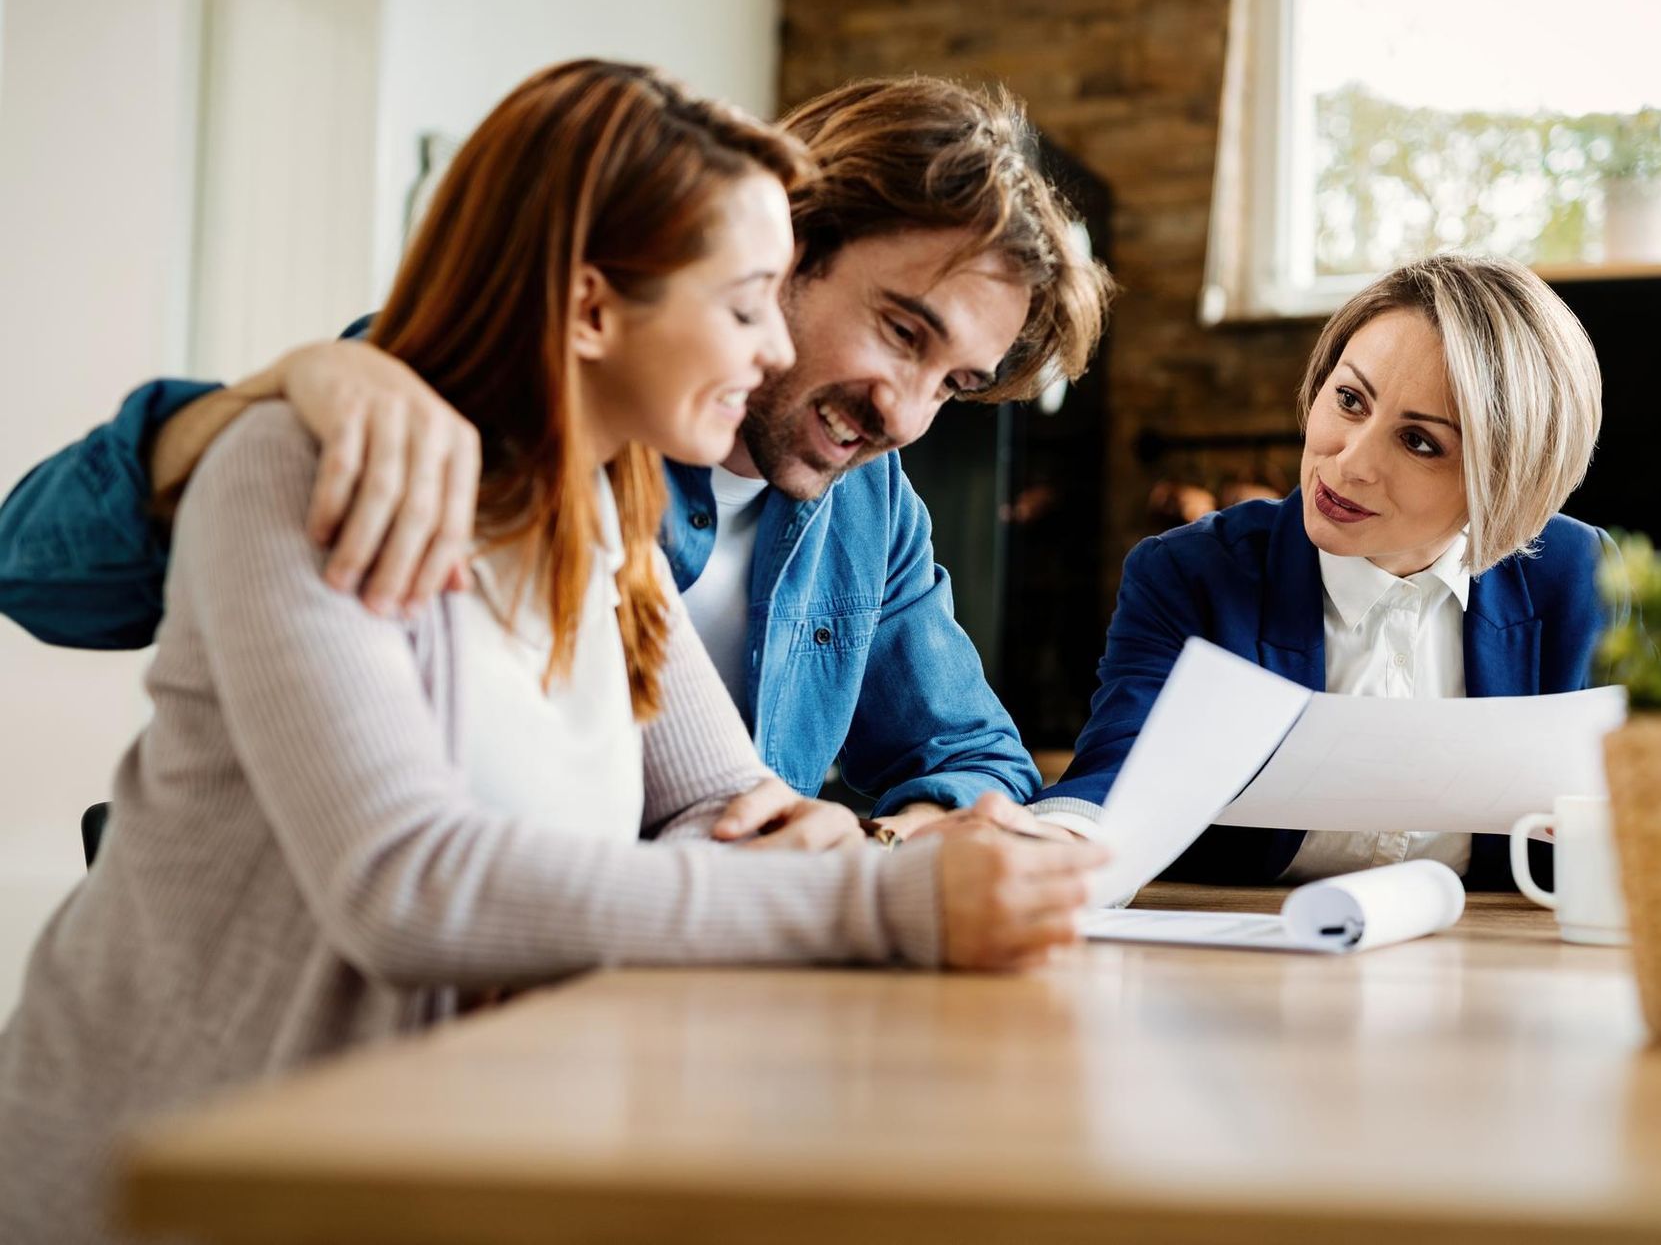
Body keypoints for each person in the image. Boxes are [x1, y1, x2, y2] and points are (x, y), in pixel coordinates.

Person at [0, 61, 1105, 1245]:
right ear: (592, 307)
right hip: (169, 1165)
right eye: (746, 302)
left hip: (449, 1129)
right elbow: (408, 884)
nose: (907, 418)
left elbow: (722, 799)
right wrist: (882, 897)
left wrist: (845, 845)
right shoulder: (346, 445)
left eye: (958, 384)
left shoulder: (611, 506)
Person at [0, 75, 1115, 842]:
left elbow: (970, 759)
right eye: (902, 334)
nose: (907, 417)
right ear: (789, 245)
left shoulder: (872, 508)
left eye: (955, 387)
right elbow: (43, 575)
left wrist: (869, 844)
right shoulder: (474, 411)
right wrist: (266, 399)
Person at [1030, 253, 1611, 890]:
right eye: (1350, 399)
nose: (1349, 463)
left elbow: (1644, 801)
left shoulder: (1580, 579)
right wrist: (1048, 850)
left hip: (1502, 963)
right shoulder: (1188, 574)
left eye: (1419, 441)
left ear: (1504, 480)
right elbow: (1120, 768)